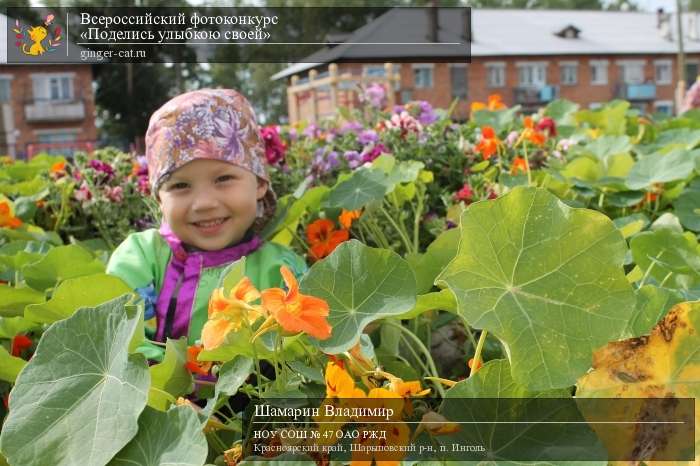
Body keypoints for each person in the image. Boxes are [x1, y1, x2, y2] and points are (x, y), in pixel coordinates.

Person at [107, 89, 306, 360]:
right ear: (158, 199)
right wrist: (184, 373)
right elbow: (118, 342)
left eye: (223, 179)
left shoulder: (283, 269)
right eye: (180, 186)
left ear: (259, 182)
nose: (203, 203)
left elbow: (306, 344)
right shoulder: (140, 257)